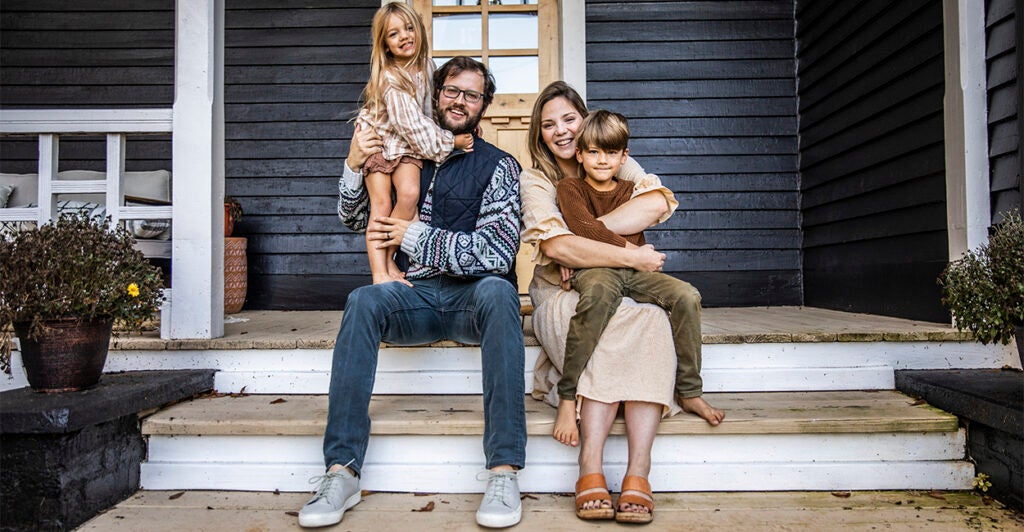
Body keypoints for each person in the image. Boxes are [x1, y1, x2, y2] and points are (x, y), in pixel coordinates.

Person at [297, 57, 526, 529]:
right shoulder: (407, 154)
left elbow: (497, 254)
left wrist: (413, 235)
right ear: (435, 94)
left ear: (484, 105)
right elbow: (357, 219)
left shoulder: (500, 166)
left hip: (472, 301)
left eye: (473, 94)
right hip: (413, 296)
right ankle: (341, 471)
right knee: (363, 300)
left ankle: (503, 471)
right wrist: (351, 164)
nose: (460, 101)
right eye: (452, 91)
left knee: (501, 293)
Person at [519, 82, 724, 524]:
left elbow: (653, 203)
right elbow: (556, 252)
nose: (561, 131)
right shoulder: (537, 179)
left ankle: (638, 470)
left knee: (650, 320)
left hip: (626, 278)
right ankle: (589, 463)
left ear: (585, 118)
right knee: (607, 323)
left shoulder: (611, 152)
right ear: (539, 133)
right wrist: (624, 251)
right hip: (561, 289)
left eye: (569, 119)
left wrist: (584, 240)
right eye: (549, 124)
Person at [552, 109, 715, 460]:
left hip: (637, 271)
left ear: (624, 156)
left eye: (611, 152)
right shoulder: (570, 187)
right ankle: (568, 394)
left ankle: (688, 389)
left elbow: (594, 228)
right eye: (593, 151)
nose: (601, 160)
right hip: (596, 268)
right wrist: (623, 247)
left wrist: (590, 235)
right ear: (579, 154)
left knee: (686, 296)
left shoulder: (631, 191)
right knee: (596, 298)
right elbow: (583, 229)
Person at [356, 2, 474, 285]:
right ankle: (379, 272)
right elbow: (412, 126)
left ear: (419, 30)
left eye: (409, 28)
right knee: (382, 204)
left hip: (406, 147)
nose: (405, 36)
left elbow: (431, 111)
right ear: (385, 44)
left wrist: (460, 122)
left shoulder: (426, 67)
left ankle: (389, 259)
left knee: (409, 195)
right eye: (394, 34)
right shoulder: (391, 79)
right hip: (380, 143)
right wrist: (451, 140)